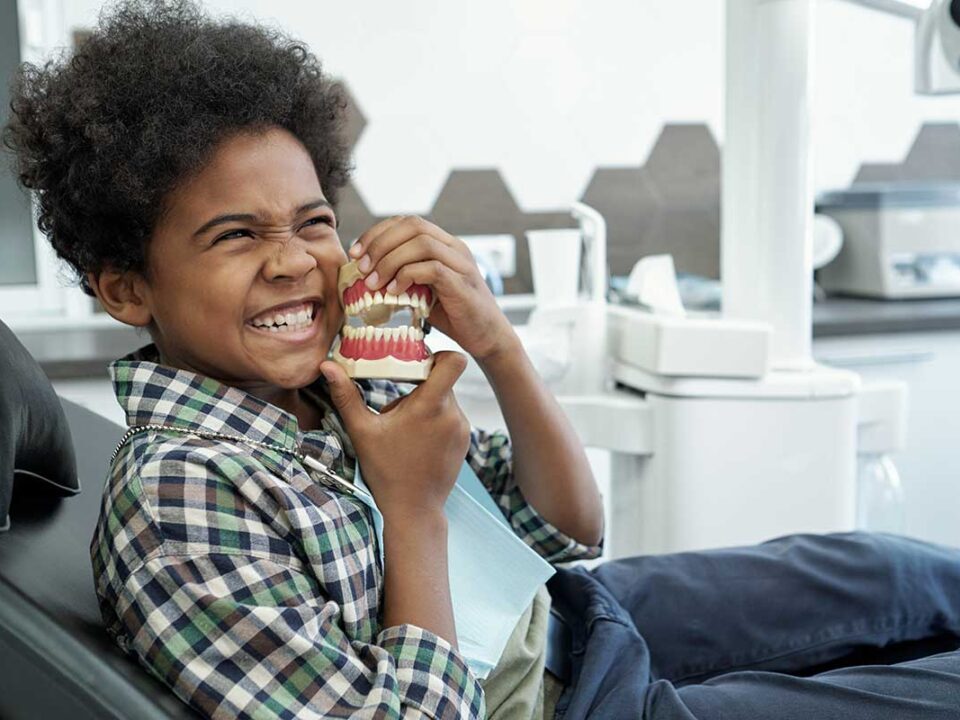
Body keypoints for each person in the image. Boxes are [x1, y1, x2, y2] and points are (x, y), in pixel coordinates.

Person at [4, 2, 959, 718]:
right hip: (552, 704)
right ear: (127, 287)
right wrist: (410, 505)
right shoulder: (183, 501)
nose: (294, 260)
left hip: (569, 619)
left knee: (892, 570)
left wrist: (496, 344)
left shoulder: (333, 391)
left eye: (314, 222)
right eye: (235, 235)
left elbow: (570, 529)